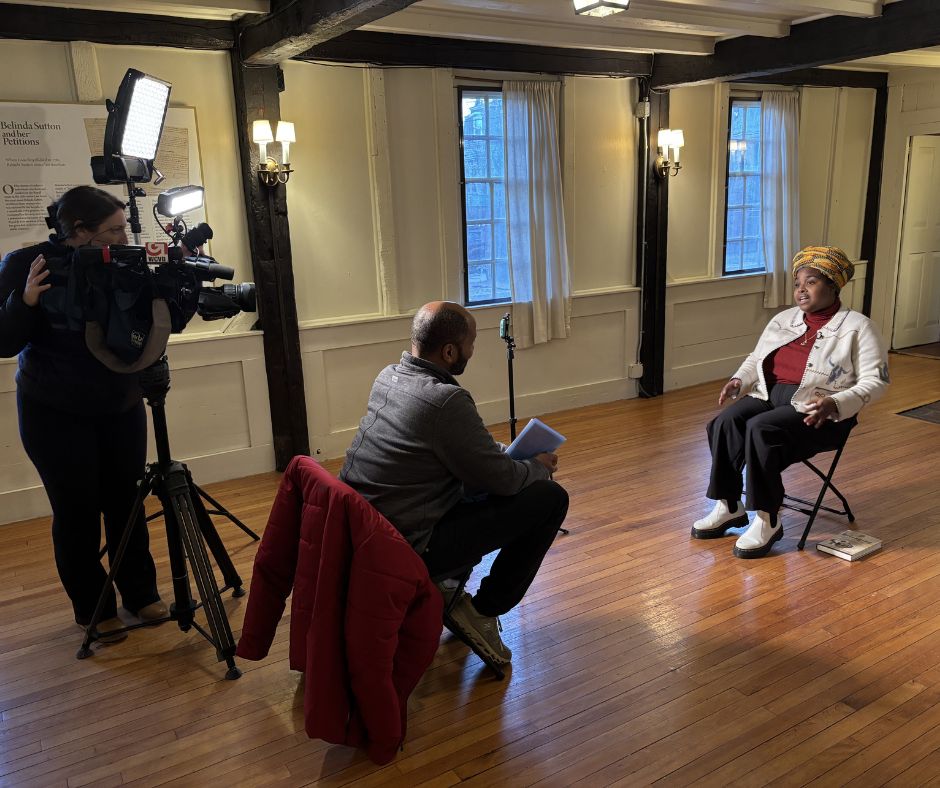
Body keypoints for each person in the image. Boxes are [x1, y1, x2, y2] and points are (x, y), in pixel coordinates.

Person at [340, 301, 569, 665]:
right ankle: (482, 610)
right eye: (471, 342)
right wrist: (537, 467)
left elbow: (462, 447)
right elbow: (504, 480)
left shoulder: (390, 376)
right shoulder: (445, 400)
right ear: (449, 351)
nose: (473, 350)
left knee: (480, 484)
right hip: (410, 546)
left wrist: (503, 453)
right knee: (550, 498)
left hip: (369, 532)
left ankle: (449, 584)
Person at [0, 186, 166, 642]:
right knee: (76, 512)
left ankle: (140, 593)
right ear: (79, 230)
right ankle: (93, 608)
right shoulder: (25, 263)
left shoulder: (125, 260)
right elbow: (4, 341)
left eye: (124, 228)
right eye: (113, 230)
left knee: (126, 503)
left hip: (120, 404)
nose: (124, 237)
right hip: (54, 410)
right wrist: (25, 301)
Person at [691, 246, 890, 558]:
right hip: (770, 396)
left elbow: (876, 381)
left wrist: (835, 403)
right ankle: (729, 505)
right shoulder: (784, 319)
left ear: (833, 285)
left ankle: (768, 519)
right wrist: (740, 380)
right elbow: (756, 357)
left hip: (819, 410)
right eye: (798, 284)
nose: (801, 290)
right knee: (724, 423)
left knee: (761, 429)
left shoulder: (859, 327)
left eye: (811, 282)